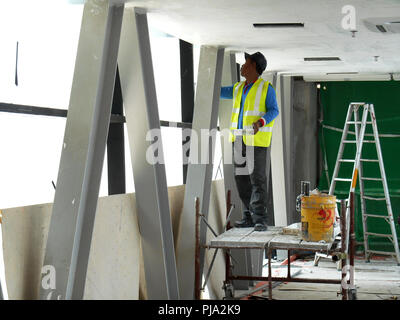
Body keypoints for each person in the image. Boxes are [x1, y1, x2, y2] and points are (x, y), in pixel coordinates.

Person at [220, 52, 279, 231]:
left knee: (257, 179)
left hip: (256, 141)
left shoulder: (266, 88)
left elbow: (274, 110)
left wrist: (260, 122)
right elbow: (220, 92)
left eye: (245, 63)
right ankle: (248, 215)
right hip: (238, 139)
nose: (242, 66)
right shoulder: (238, 87)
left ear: (253, 66)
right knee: (242, 180)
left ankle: (260, 218)